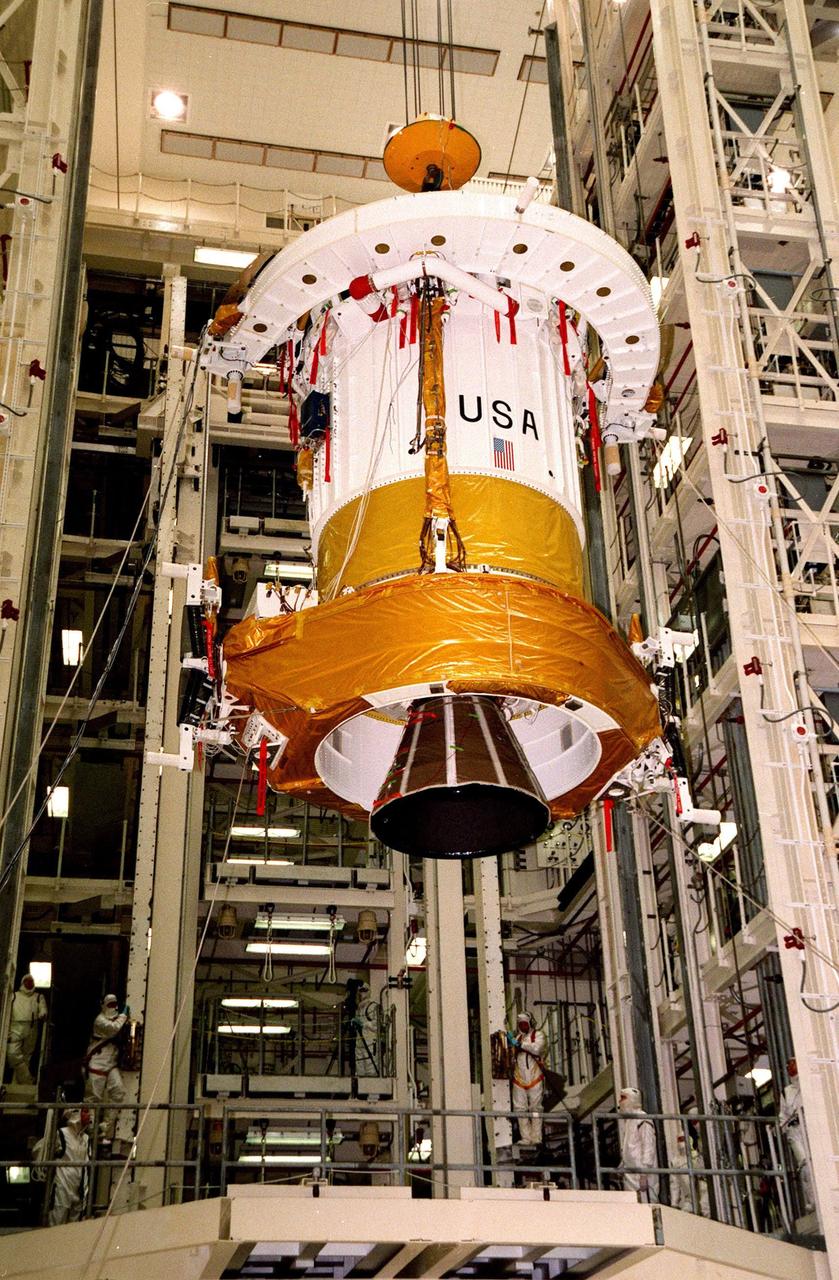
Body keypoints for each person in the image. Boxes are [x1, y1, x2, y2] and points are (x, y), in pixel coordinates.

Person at [84, 994, 127, 1138]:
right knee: (93, 1098)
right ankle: (89, 1129)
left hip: (111, 1063)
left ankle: (105, 1127)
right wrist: (124, 1015)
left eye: (114, 1004)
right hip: (98, 1062)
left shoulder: (118, 1020)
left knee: (118, 1092)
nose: (113, 1007)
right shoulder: (100, 1021)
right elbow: (113, 1029)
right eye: (110, 1005)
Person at [45, 1107, 91, 1225]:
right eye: (85, 1112)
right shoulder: (62, 1134)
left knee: (74, 1226)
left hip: (79, 1186)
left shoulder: (85, 1138)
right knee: (57, 1221)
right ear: (75, 1113)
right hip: (63, 1184)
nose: (88, 1115)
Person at [780, 1057, 814, 1213]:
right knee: (804, 1166)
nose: (789, 1067)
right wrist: (783, 1127)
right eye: (788, 1065)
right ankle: (812, 1201)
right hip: (795, 1130)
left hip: (810, 1127)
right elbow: (783, 1114)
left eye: (792, 1063)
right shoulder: (786, 1091)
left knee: (816, 1164)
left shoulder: (809, 1082)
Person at [509, 1012, 545, 1145]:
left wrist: (521, 1045)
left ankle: (536, 1137)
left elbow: (537, 1049)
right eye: (520, 1024)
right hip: (519, 1077)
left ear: (530, 1023)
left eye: (525, 1023)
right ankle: (526, 1137)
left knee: (535, 1109)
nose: (522, 1026)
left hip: (535, 1077)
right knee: (519, 1108)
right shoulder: (517, 1037)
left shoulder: (538, 1035)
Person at [618, 1085, 659, 1202]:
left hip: (641, 1173)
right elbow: (630, 1147)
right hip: (630, 1173)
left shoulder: (642, 1118)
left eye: (623, 1098)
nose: (620, 1102)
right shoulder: (629, 1121)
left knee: (646, 1204)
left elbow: (648, 1146)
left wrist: (644, 1173)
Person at [7, 974, 47, 1084]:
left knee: (27, 1057)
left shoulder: (38, 997)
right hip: (15, 1027)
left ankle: (16, 1083)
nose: (29, 983)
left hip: (31, 1027)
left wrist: (42, 1014)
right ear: (22, 982)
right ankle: (27, 1079)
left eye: (31, 981)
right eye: (27, 981)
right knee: (12, 1054)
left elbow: (43, 1009)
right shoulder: (13, 996)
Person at [670, 1132, 709, 1215]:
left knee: (706, 1211)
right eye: (680, 1139)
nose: (682, 1143)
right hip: (690, 1198)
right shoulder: (676, 1161)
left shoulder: (698, 1156)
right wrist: (674, 1203)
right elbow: (674, 1184)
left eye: (684, 1139)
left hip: (704, 1194)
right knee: (685, 1215)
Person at [352, 983, 379, 1078]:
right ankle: (361, 1089)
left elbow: (377, 1025)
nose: (362, 993)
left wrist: (364, 1024)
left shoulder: (373, 1006)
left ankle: (372, 1089)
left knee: (370, 1067)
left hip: (370, 1042)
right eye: (360, 991)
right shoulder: (359, 1008)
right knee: (360, 1068)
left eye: (364, 990)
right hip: (360, 1042)